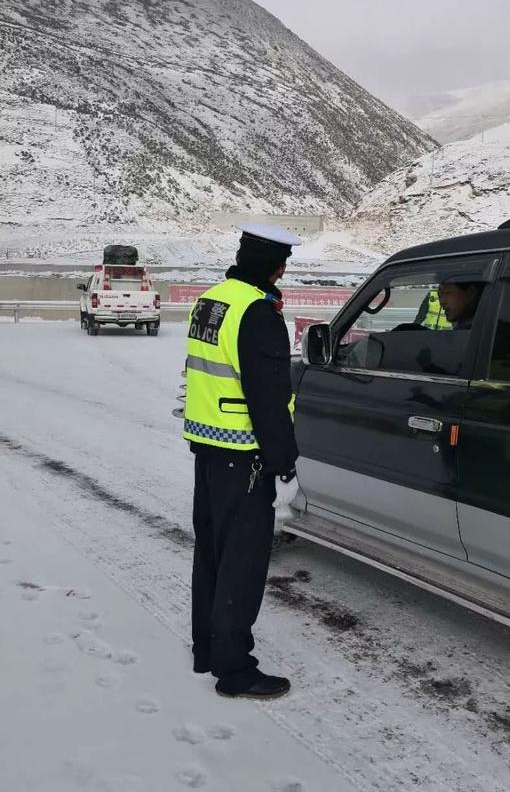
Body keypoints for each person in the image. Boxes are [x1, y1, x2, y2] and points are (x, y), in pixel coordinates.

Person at [183, 222, 301, 700]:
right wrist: (284, 462)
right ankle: (234, 670)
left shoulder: (212, 300)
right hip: (244, 455)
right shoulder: (256, 312)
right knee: (243, 563)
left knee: (211, 552)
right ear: (275, 266)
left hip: (207, 446)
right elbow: (269, 396)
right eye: (283, 264)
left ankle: (207, 650)